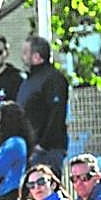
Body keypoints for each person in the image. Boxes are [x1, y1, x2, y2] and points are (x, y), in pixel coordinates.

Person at [17, 35, 68, 172]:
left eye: (26, 52)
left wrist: (42, 145)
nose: (22, 56)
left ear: (37, 57)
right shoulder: (29, 81)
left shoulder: (52, 79)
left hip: (47, 151)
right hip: (31, 149)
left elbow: (57, 114)